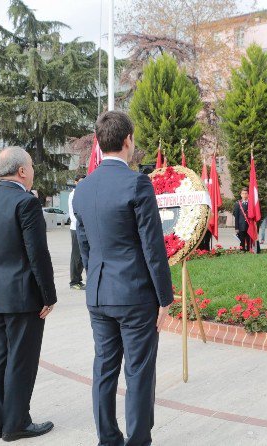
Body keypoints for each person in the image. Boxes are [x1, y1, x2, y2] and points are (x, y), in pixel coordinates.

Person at [73, 111, 173, 446]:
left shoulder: (84, 188)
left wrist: (95, 277)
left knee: (104, 368)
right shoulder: (137, 182)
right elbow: (152, 245)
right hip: (134, 294)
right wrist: (165, 298)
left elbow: (84, 244)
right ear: (128, 140)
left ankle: (108, 439)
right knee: (138, 370)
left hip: (99, 293)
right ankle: (138, 441)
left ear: (99, 142)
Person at [0, 147, 57, 441]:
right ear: (22, 171)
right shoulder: (26, 203)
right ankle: (17, 423)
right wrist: (48, 295)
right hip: (22, 296)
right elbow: (38, 254)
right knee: (21, 360)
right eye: (31, 166)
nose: (33, 171)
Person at [69, 174, 86, 290]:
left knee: (83, 255)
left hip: (84, 228)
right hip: (76, 228)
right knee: (76, 256)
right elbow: (72, 214)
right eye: (80, 181)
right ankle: (74, 281)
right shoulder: (72, 194)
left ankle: (79, 280)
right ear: (75, 182)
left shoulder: (85, 193)